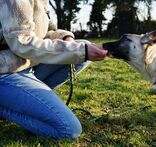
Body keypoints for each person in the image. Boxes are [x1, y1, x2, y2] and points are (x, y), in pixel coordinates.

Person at [0, 0, 107, 139]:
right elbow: (22, 43)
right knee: (68, 129)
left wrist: (66, 38)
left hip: (27, 64)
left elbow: (46, 31)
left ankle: (30, 101)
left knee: (82, 46)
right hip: (5, 71)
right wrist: (79, 51)